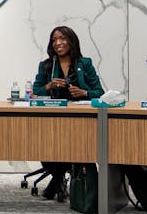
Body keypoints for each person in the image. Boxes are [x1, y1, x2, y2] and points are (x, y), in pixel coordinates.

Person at [31, 25, 103, 200]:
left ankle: (56, 182)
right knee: (45, 144)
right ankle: (58, 178)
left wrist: (84, 93)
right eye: (54, 40)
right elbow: (36, 90)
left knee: (73, 142)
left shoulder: (85, 64)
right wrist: (49, 86)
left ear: (71, 41)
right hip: (52, 118)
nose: (58, 43)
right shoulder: (47, 65)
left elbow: (99, 92)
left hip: (80, 120)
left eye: (62, 38)